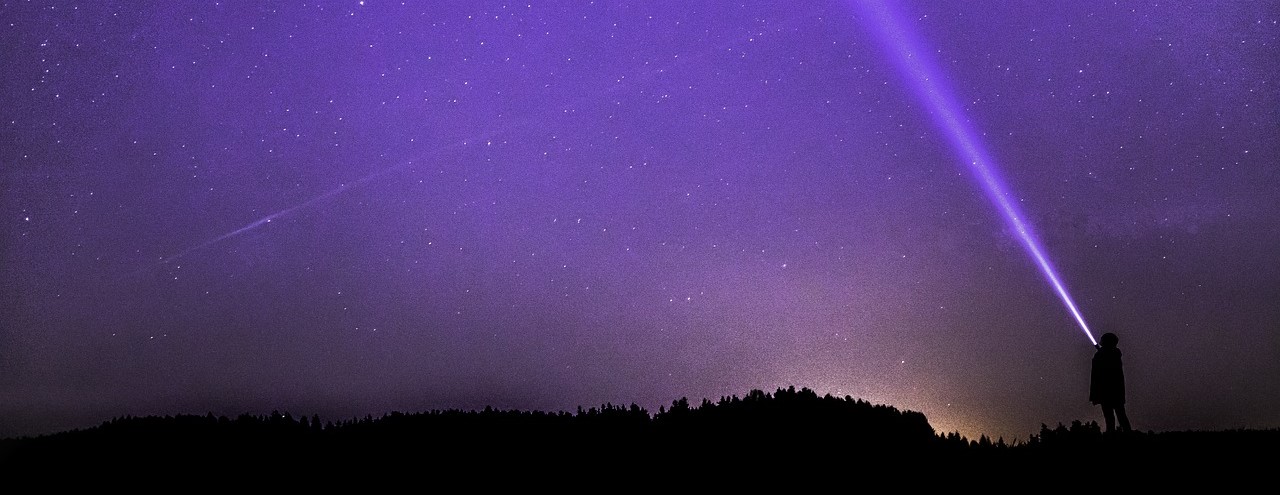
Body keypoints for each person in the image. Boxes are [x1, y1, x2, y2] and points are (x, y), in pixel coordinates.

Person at [1090, 332, 1132, 433]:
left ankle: (1122, 436)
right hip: (1109, 391)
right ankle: (1117, 435)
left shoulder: (1113, 354)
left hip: (1110, 391)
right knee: (1113, 417)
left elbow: (1106, 367)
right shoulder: (1110, 354)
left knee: (1118, 416)